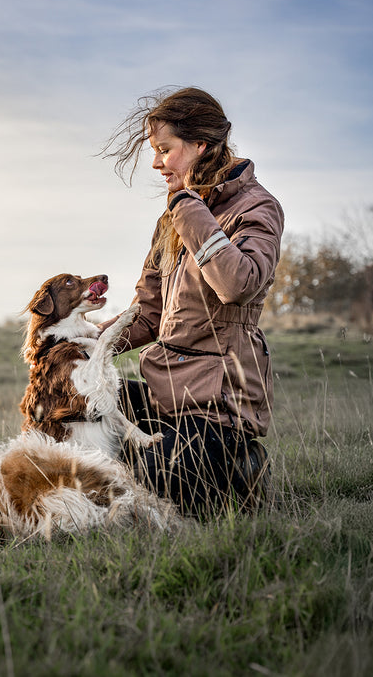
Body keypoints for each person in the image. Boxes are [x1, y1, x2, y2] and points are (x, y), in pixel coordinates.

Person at [100, 87, 283, 517]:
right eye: (154, 151)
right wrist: (89, 341)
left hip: (217, 408)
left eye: (165, 149)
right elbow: (147, 314)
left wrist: (187, 206)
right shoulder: (173, 219)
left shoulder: (256, 208)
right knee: (75, 407)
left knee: (150, 474)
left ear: (200, 145)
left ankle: (242, 466)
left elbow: (238, 283)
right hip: (165, 393)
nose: (157, 162)